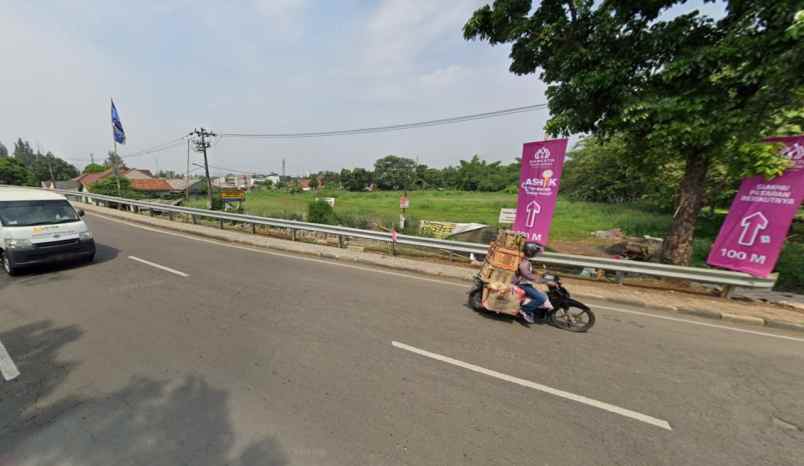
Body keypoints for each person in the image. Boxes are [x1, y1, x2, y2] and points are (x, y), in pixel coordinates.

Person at [515, 241, 551, 323]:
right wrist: (543, 280)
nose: (536, 254)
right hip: (522, 284)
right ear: (530, 251)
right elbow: (527, 275)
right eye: (535, 252)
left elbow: (529, 271)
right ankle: (525, 310)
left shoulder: (526, 260)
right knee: (541, 298)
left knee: (542, 293)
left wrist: (539, 273)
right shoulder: (524, 262)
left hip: (525, 283)